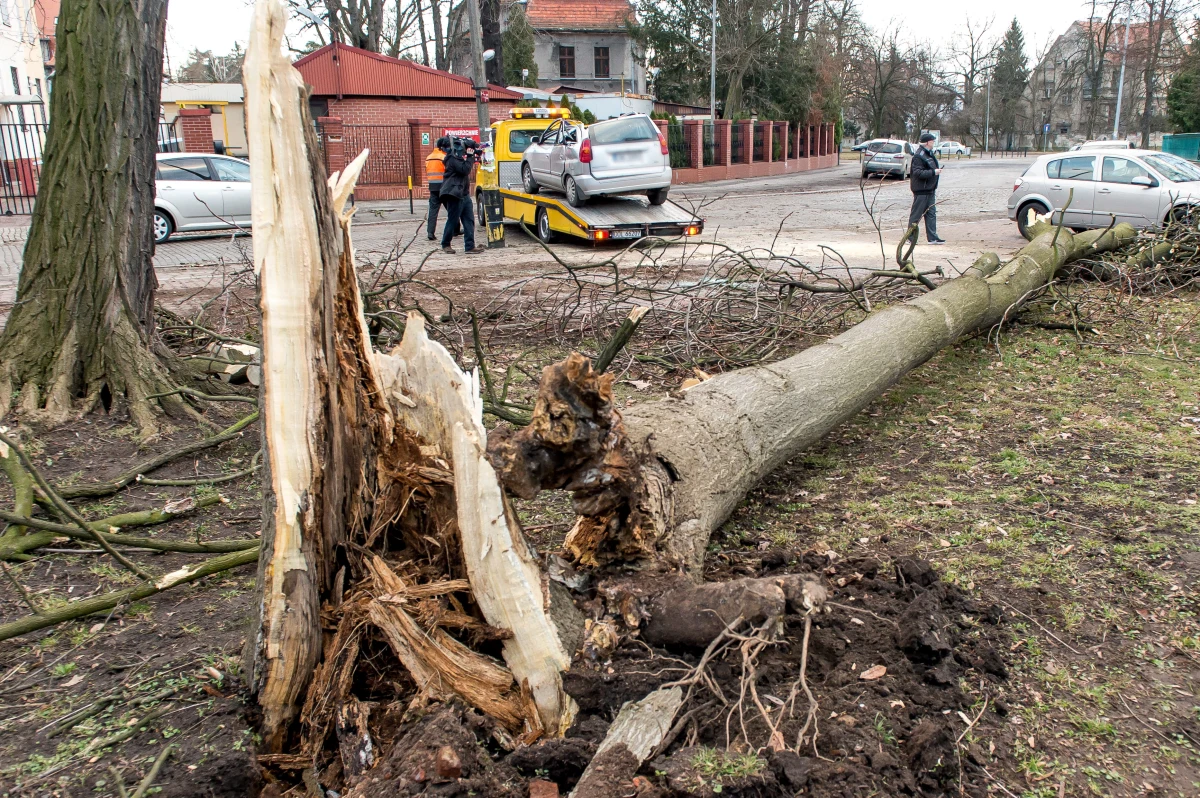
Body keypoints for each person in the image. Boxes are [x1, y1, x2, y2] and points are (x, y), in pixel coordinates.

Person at [439, 138, 486, 255]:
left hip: (463, 194)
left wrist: (474, 152)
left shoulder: (457, 158)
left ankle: (470, 246)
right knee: (453, 220)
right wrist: (470, 156)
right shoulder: (451, 159)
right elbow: (465, 169)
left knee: (469, 220)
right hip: (453, 193)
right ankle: (445, 244)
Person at [909, 133, 946, 246]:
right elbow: (917, 172)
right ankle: (910, 237)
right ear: (927, 142)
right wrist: (934, 172)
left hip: (930, 189)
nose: (934, 143)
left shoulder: (928, 154)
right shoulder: (919, 156)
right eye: (932, 141)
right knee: (916, 214)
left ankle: (932, 237)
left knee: (931, 213)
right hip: (921, 189)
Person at [424, 137, 450, 241]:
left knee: (433, 211)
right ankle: (456, 229)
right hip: (444, 186)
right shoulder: (444, 157)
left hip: (433, 187)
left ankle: (430, 232)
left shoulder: (429, 157)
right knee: (452, 209)